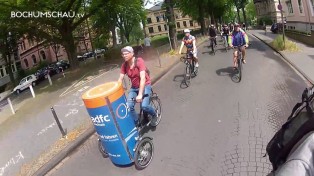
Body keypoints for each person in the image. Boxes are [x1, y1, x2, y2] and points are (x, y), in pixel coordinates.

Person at [117, 46, 158, 126]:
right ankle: (136, 122)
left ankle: (154, 115)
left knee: (144, 106)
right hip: (134, 87)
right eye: (123, 54)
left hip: (145, 85)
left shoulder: (139, 61)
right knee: (129, 106)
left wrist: (140, 94)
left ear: (132, 54)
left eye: (126, 54)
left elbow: (143, 78)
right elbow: (120, 79)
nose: (124, 56)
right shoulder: (124, 65)